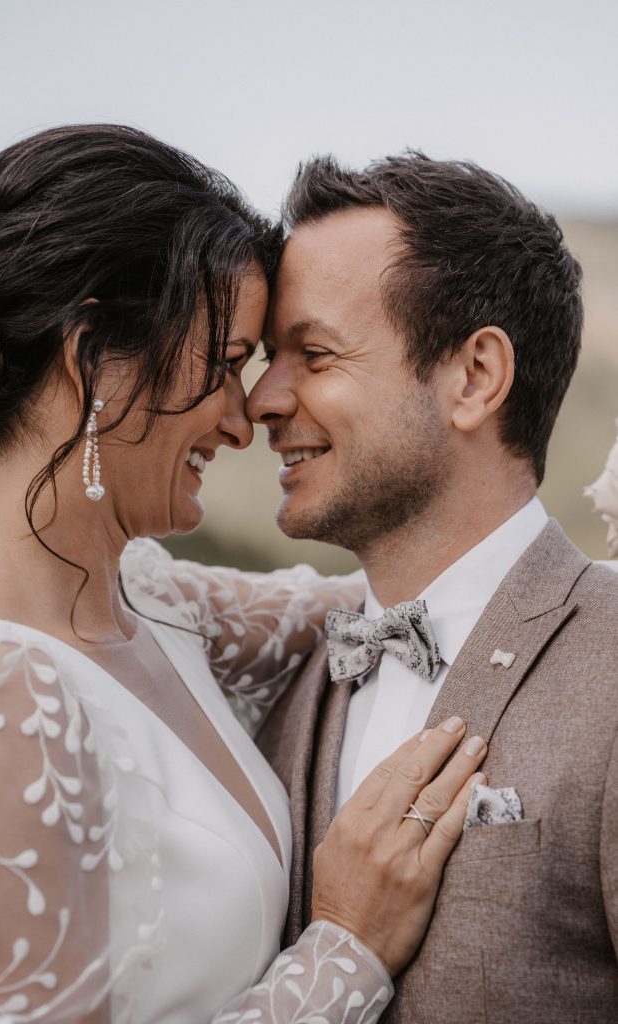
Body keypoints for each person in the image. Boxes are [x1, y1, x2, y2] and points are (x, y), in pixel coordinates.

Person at [0, 126, 487, 1023]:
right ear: (93, 363)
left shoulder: (155, 601)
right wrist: (345, 949)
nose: (244, 421)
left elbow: (408, 590)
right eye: (226, 364)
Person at [250, 154, 618, 1021]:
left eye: (314, 353)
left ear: (474, 377)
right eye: (270, 358)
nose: (262, 399)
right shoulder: (283, 677)